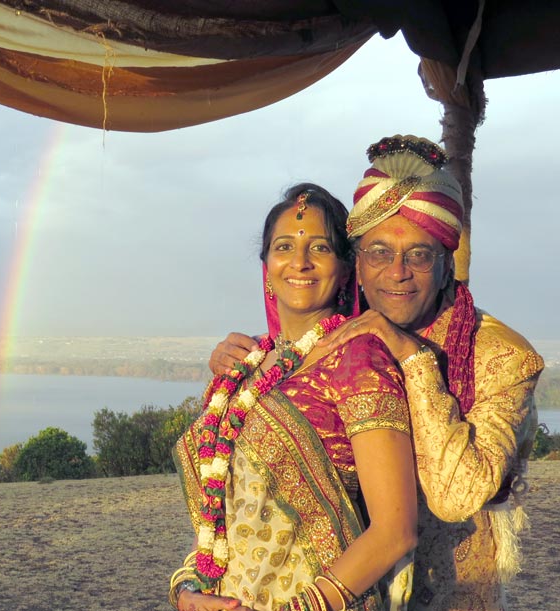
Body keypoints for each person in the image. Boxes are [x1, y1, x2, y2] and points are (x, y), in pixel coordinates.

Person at [210, 136, 544, 611]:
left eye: (419, 255)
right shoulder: (349, 333)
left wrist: (412, 356)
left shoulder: (502, 355)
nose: (398, 272)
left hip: (454, 590)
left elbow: (456, 495)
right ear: (359, 268)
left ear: (447, 265)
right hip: (352, 581)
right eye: (380, 252)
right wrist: (235, 369)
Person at [170, 184, 418, 611]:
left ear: (345, 270)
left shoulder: (358, 357)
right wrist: (188, 591)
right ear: (266, 266)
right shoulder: (242, 368)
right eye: (284, 246)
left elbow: (396, 529)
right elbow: (221, 515)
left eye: (319, 247)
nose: (300, 262)